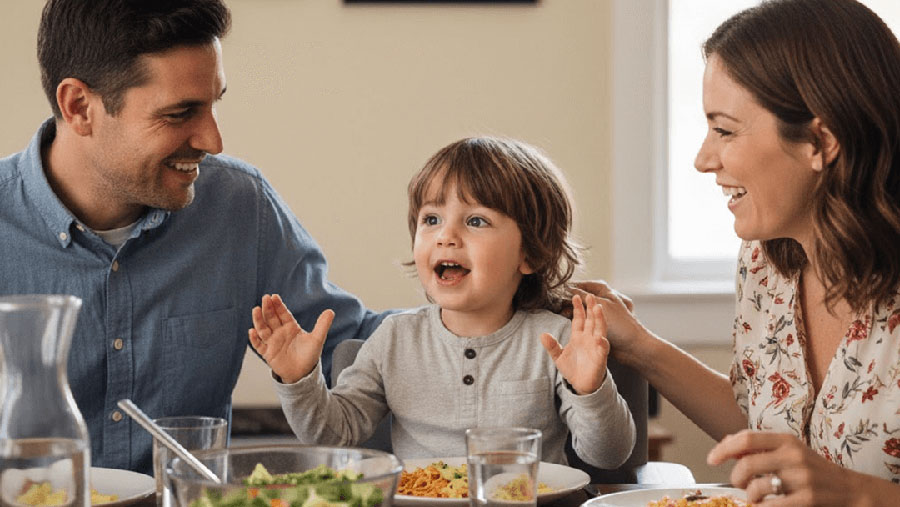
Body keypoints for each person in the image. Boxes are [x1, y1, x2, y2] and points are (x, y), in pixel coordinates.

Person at [0, 0, 389, 474]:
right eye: (181, 113)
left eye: (213, 104)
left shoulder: (239, 207)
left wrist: (489, 309)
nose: (212, 139)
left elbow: (353, 351)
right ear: (79, 106)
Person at [582, 0, 900, 504]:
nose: (703, 159)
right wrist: (636, 344)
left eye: (725, 130)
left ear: (820, 142)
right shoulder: (766, 264)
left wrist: (860, 495)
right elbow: (760, 425)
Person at [249, 137, 636, 467]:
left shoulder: (556, 340)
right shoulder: (394, 338)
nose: (445, 236)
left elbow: (607, 455)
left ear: (530, 255)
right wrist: (299, 380)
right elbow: (336, 433)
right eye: (431, 219)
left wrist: (591, 389)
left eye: (476, 221)